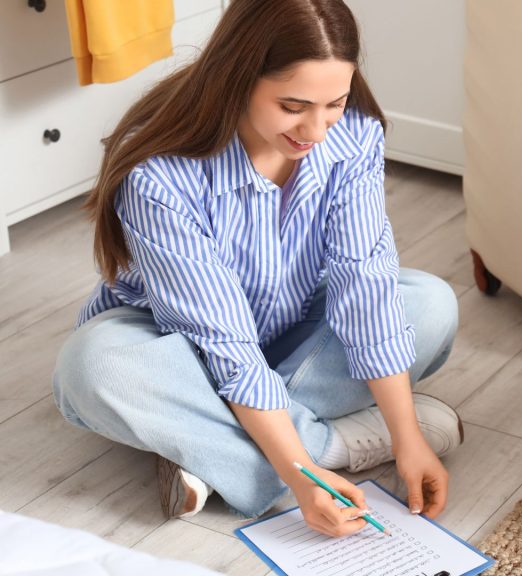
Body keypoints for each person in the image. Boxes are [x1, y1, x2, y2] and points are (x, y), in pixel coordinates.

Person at [51, 0, 463, 538]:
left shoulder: (354, 135)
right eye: (293, 105)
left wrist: (408, 438)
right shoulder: (159, 173)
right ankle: (334, 443)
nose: (316, 129)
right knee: (95, 368)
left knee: (430, 304)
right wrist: (305, 474)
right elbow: (224, 344)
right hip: (184, 347)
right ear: (238, 79)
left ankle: (209, 450)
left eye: (334, 102)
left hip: (297, 329)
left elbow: (365, 284)